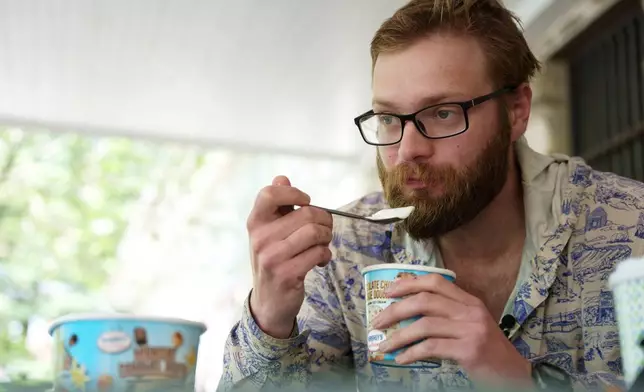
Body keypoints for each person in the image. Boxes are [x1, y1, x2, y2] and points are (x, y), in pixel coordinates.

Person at [218, 0, 644, 391]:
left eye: (442, 113)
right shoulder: (344, 252)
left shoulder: (629, 229)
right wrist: (269, 318)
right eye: (388, 118)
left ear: (516, 111)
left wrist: (521, 381)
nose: (406, 151)